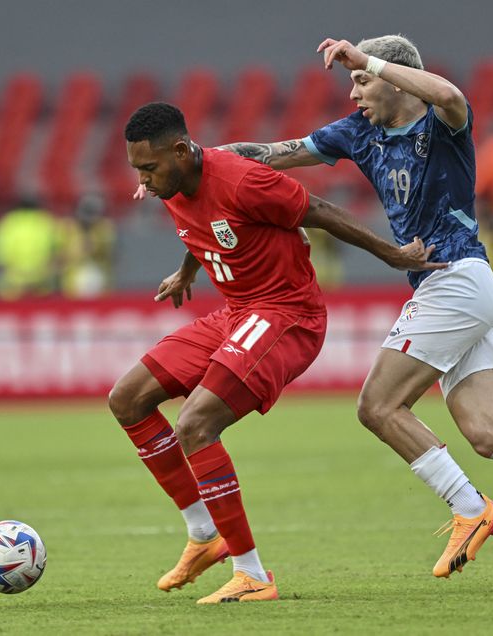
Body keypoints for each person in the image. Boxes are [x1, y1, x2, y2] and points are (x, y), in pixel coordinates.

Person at [175, 35, 493, 578]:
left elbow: (449, 94)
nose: (353, 92)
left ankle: (470, 509)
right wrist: (188, 163)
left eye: (361, 81)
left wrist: (368, 59)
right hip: (461, 289)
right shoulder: (360, 133)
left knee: (377, 406)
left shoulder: (442, 123)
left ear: (394, 76)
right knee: (487, 431)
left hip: (455, 279)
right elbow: (270, 153)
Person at [111, 102, 436, 603]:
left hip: (288, 314)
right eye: (137, 170)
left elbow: (322, 212)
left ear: (180, 150)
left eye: (149, 169)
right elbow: (199, 222)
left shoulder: (243, 181)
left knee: (196, 423)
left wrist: (394, 256)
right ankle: (203, 534)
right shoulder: (173, 179)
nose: (144, 182)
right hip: (236, 311)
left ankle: (252, 574)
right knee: (128, 399)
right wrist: (188, 272)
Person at [0, 197, 59, 300]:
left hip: (13, 279)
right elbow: (57, 248)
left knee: (11, 313)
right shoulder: (46, 221)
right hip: (40, 279)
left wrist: (1, 267)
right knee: (39, 311)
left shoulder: (7, 222)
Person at [57, 193, 117, 298]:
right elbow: (61, 257)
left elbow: (107, 255)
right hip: (73, 283)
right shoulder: (68, 229)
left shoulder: (104, 230)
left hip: (99, 281)